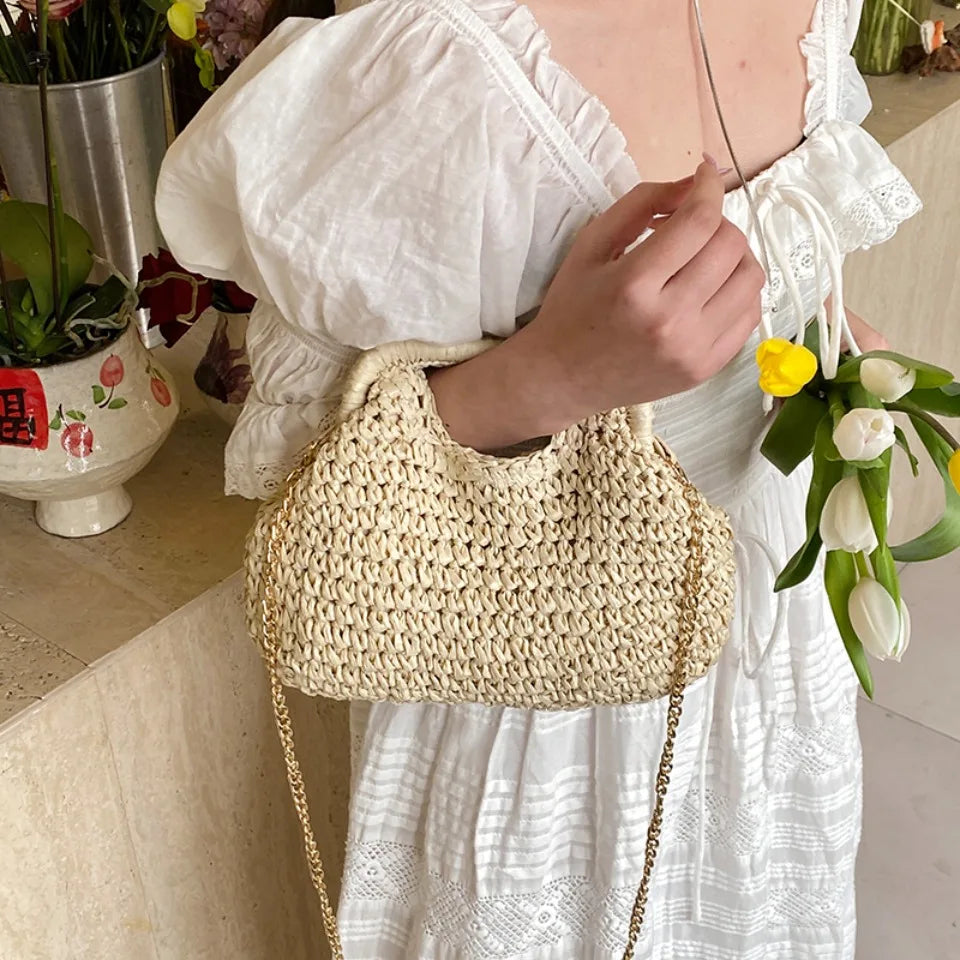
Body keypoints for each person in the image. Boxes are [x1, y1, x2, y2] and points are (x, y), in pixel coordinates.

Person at [155, 0, 920, 955]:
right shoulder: (436, 47)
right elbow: (317, 457)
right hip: (541, 646)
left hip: (763, 612)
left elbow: (791, 247)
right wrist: (556, 375)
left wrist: (816, 338)